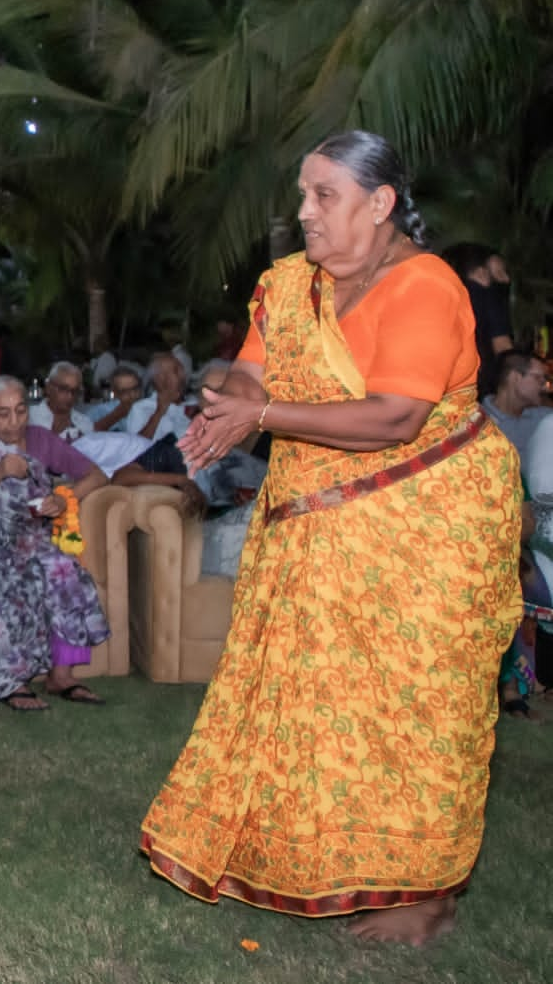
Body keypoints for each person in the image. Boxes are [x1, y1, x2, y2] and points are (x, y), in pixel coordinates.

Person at [145, 131, 521, 946]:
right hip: (313, 526)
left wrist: (262, 416)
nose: (303, 211)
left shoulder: (425, 287)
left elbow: (395, 415)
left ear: (380, 204)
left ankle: (425, 894)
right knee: (320, 702)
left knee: (414, 708)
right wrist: (232, 398)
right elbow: (252, 368)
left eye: (323, 195)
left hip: (428, 528)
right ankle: (318, 860)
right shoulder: (288, 286)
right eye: (303, 193)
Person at [0, 376, 110, 710]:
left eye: (20, 411)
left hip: (29, 538)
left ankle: (61, 675)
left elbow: (97, 475)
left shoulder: (41, 440)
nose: (14, 422)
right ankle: (6, 680)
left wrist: (63, 498)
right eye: (3, 414)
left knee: (64, 570)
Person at [443, 243, 514, 393]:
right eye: (500, 272)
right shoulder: (488, 296)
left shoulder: (444, 295)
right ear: (479, 272)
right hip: (479, 384)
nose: (506, 280)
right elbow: (502, 346)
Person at [480, 350, 550, 461]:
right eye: (538, 378)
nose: (544, 387)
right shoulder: (477, 422)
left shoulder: (545, 419)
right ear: (515, 377)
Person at [39, 361, 93, 442]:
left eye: (75, 391)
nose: (70, 396)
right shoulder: (28, 417)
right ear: (48, 388)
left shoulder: (84, 423)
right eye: (63, 389)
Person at [83, 364, 143, 432]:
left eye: (135, 389)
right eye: (125, 391)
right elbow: (82, 435)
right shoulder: (99, 412)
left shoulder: (149, 410)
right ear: (115, 393)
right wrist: (115, 415)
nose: (132, 395)